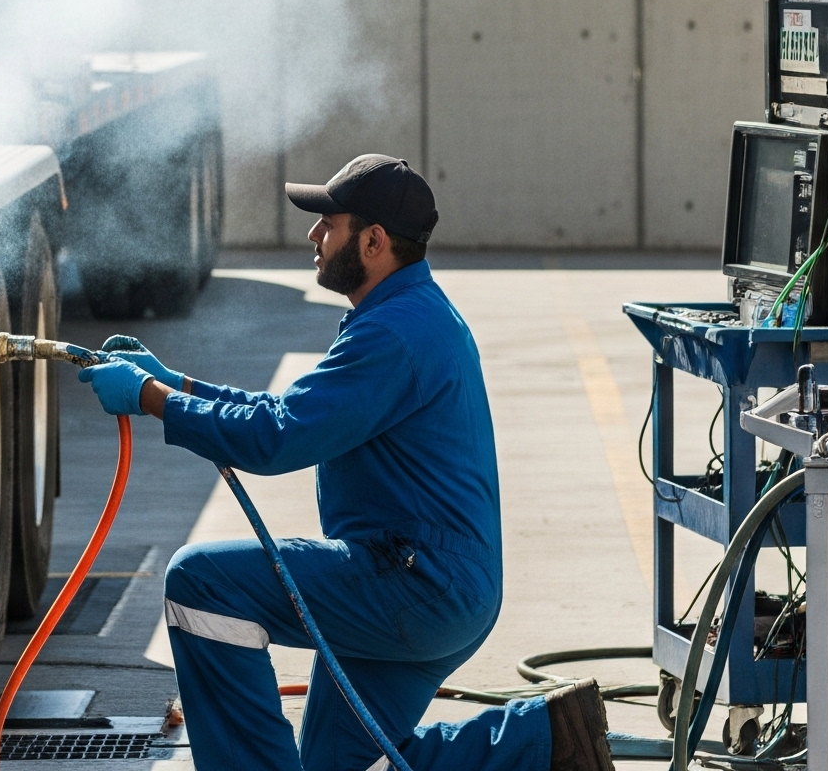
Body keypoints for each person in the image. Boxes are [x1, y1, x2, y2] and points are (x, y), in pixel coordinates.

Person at [78, 155, 615, 771]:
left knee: (202, 582)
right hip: (438, 583)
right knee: (342, 765)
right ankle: (548, 741)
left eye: (328, 224)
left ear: (373, 241)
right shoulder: (406, 314)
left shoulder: (394, 334)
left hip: (418, 584)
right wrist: (178, 385)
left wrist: (152, 399)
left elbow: (276, 439)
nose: (313, 235)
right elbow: (288, 412)